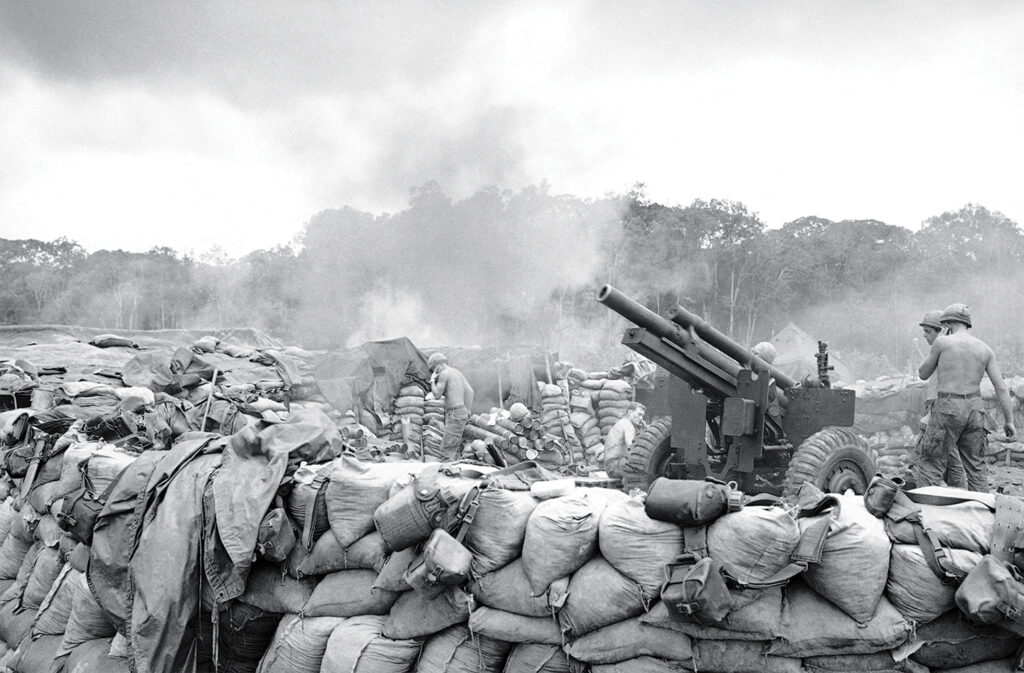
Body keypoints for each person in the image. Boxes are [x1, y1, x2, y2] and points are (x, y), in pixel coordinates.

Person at [916, 303, 1016, 492]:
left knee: (931, 462)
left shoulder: (942, 343)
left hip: (948, 407)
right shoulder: (985, 349)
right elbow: (1001, 388)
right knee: (976, 468)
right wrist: (1009, 421)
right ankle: (982, 514)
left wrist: (939, 341)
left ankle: (927, 514)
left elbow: (923, 373)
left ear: (947, 324)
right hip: (975, 409)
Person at [913, 309, 966, 488]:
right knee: (949, 454)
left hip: (940, 411)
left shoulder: (946, 353)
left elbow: (942, 387)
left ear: (941, 331)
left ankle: (957, 493)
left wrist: (930, 415)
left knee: (937, 456)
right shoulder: (943, 352)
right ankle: (960, 493)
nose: (924, 336)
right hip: (940, 410)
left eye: (928, 331)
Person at [429, 352, 474, 461]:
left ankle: (448, 474)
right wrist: (467, 409)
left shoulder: (444, 374)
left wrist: (432, 381)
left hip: (454, 414)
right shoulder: (457, 372)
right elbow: (470, 392)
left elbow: (436, 395)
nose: (436, 372)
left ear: (437, 366)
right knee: (455, 447)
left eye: (434, 369)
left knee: (446, 450)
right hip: (461, 412)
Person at [602, 402, 646, 478]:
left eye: (642, 415)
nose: (641, 418)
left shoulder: (623, 422)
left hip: (612, 466)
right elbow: (632, 448)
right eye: (639, 414)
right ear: (630, 412)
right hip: (615, 466)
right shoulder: (627, 424)